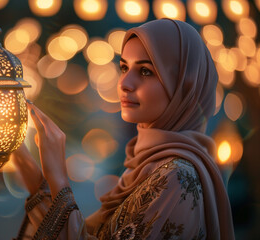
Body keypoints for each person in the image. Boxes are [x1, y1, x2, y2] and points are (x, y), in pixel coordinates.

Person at [13, 19, 235, 240]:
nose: (124, 83)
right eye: (124, 67)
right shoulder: (143, 166)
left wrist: (58, 177)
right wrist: (25, 162)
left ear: (183, 85)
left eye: (146, 71)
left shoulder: (177, 176)